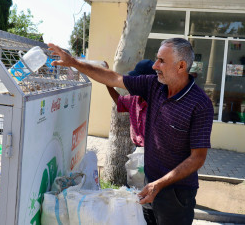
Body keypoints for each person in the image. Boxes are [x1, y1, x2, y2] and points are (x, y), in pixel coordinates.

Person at [49, 38, 214, 225]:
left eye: (161, 61)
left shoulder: (200, 104)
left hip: (176, 194)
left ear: (181, 66)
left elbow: (198, 158)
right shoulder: (154, 85)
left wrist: (159, 184)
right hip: (149, 183)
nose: (154, 66)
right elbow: (113, 78)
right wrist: (73, 63)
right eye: (156, 59)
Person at [105, 59, 155, 147]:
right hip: (138, 148)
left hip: (152, 152)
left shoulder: (158, 103)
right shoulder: (134, 99)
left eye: (136, 80)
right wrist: (107, 82)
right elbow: (119, 101)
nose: (133, 83)